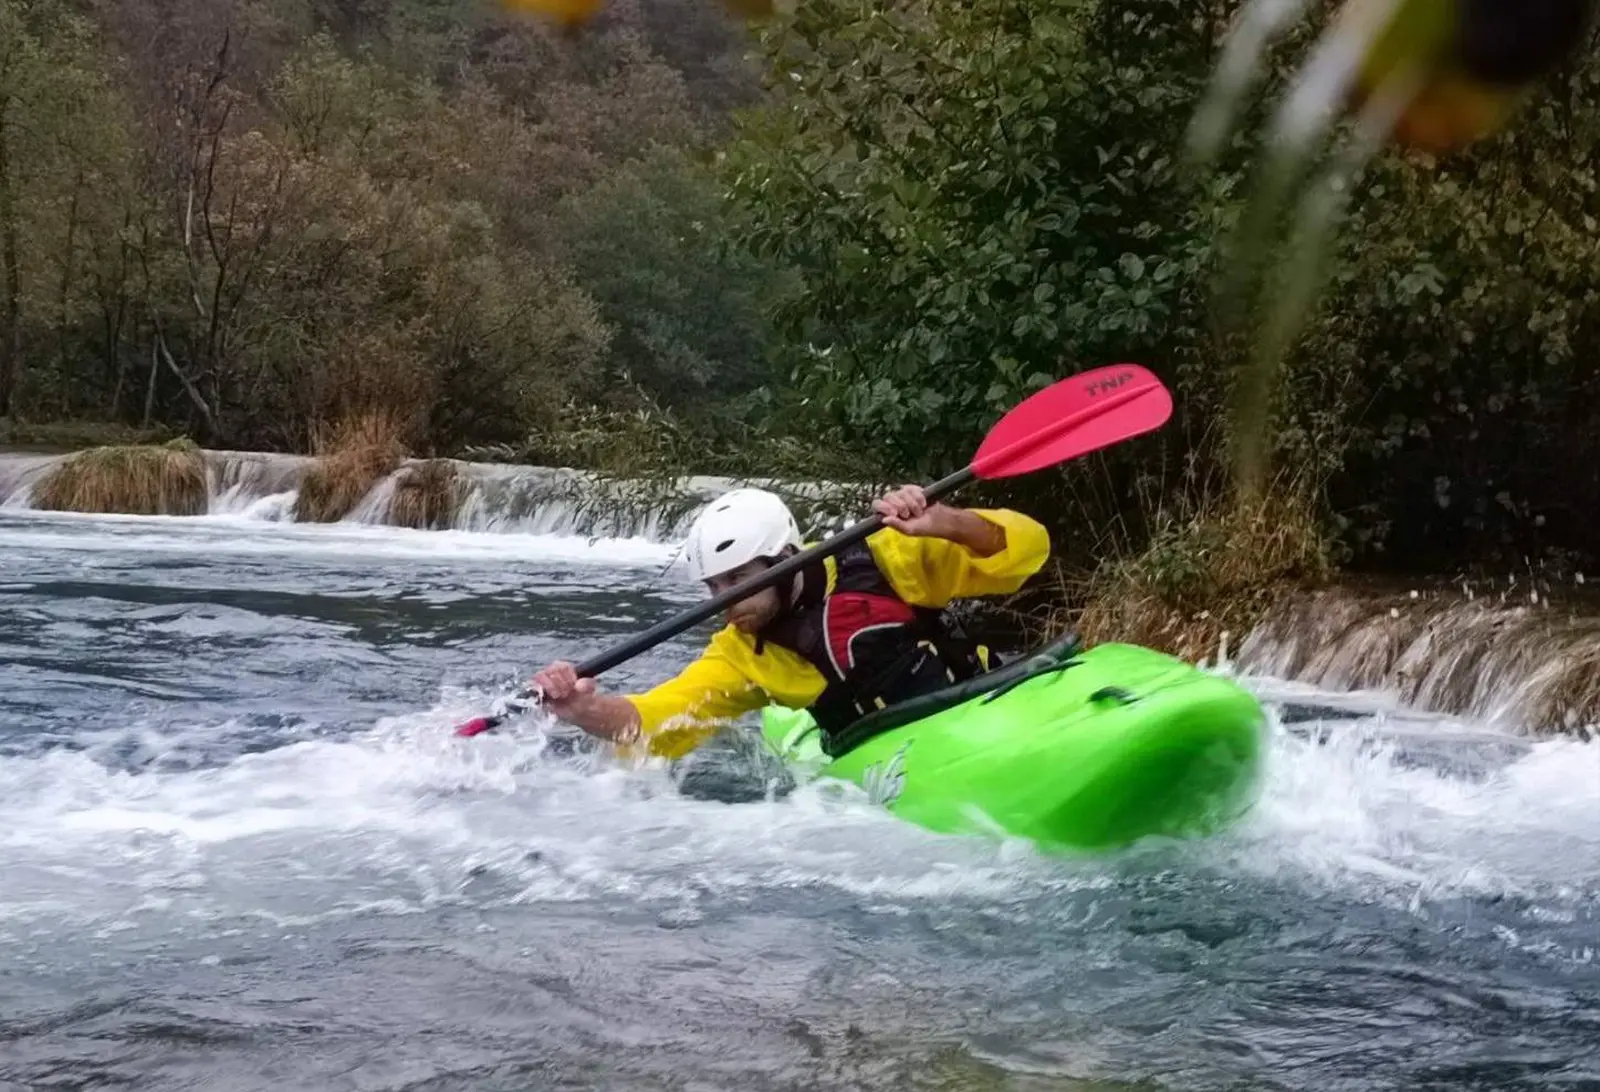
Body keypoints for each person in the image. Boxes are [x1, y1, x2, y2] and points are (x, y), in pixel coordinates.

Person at [529, 484, 1050, 758]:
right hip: (893, 752)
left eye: (736, 581)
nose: (724, 602)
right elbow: (654, 726)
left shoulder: (885, 556)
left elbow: (1024, 554)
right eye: (713, 588)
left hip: (983, 702)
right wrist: (583, 708)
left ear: (781, 560)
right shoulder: (742, 653)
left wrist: (948, 523)